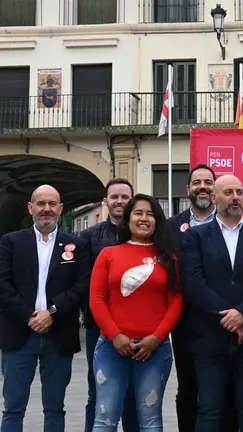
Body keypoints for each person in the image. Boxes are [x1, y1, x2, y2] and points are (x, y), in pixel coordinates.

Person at [182, 175, 243, 431]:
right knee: (209, 409)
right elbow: (194, 282)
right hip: (210, 338)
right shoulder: (196, 236)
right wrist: (230, 318)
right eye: (228, 192)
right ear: (214, 197)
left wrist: (242, 313)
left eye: (239, 192)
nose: (235, 197)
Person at [89, 194, 183, 430]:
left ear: (157, 221)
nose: (144, 218)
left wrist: (156, 338)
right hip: (111, 348)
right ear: (128, 219)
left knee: (151, 420)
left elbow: (176, 301)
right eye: (138, 213)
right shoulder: (108, 254)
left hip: (154, 350)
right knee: (104, 418)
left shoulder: (168, 258)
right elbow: (96, 300)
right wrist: (115, 335)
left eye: (150, 214)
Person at [0, 185, 90, 432]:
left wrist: (51, 313)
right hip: (19, 334)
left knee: (55, 408)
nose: (46, 209)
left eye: (52, 204)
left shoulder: (76, 245)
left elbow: (82, 286)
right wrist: (30, 315)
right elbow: (2, 285)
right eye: (41, 204)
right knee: (13, 408)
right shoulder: (11, 242)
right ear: (31, 208)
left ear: (61, 209)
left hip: (58, 335)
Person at [167, 164, 238, 432]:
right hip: (187, 323)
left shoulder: (232, 224)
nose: (203, 187)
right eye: (197, 183)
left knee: (225, 391)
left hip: (228, 322)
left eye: (208, 182)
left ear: (216, 190)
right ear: (188, 189)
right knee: (188, 388)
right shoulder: (170, 227)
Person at [81, 178, 139, 432]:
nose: (119, 201)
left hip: (137, 326)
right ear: (105, 201)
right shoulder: (89, 237)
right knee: (97, 391)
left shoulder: (144, 235)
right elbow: (85, 285)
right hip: (99, 327)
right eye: (114, 197)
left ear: (132, 200)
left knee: (132, 394)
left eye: (125, 197)